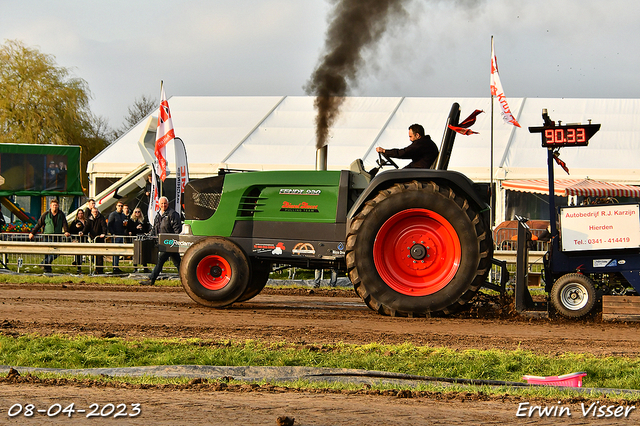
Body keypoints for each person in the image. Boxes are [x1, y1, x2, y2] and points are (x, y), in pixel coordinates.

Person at [142, 196, 182, 285]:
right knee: (178, 263)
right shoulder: (158, 215)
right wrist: (151, 236)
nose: (163, 205)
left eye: (165, 203)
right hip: (162, 243)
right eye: (162, 203)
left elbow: (177, 230)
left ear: (168, 204)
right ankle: (186, 280)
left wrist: (172, 240)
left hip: (169, 243)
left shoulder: (173, 214)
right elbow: (155, 228)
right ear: (159, 204)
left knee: (160, 261)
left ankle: (151, 279)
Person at [29, 199, 70, 273]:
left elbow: (65, 223)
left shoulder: (61, 214)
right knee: (47, 253)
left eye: (56, 205)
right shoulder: (46, 214)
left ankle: (44, 263)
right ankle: (47, 269)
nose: (55, 207)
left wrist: (66, 231)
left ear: (58, 206)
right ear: (50, 206)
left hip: (57, 236)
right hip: (47, 236)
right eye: (53, 205)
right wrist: (32, 233)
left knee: (57, 252)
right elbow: (39, 224)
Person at [82, 207, 107, 274]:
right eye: (94, 212)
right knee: (92, 255)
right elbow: (86, 227)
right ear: (91, 212)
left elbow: (104, 226)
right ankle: (94, 267)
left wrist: (104, 233)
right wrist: (83, 232)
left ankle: (100, 269)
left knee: (99, 255)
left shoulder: (101, 218)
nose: (95, 213)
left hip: (100, 238)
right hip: (92, 238)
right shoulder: (89, 219)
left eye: (96, 212)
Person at [128, 207, 150, 273]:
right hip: (135, 237)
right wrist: (136, 228)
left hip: (142, 237)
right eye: (136, 212)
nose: (137, 213)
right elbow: (129, 229)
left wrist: (144, 230)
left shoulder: (143, 220)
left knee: (143, 252)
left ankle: (145, 267)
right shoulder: (131, 220)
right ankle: (135, 267)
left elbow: (146, 228)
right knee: (135, 253)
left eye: (138, 212)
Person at [107, 201, 127, 274]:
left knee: (119, 252)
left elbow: (125, 226)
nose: (120, 207)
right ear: (116, 206)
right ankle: (115, 267)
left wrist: (125, 226)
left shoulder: (123, 215)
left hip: (121, 234)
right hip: (115, 235)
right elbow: (109, 225)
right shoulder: (113, 214)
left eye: (121, 206)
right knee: (115, 252)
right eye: (119, 206)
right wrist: (112, 234)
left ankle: (117, 266)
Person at [69, 209, 87, 274]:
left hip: (85, 239)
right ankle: (79, 267)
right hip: (78, 240)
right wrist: (76, 227)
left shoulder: (86, 221)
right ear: (77, 214)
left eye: (82, 213)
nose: (80, 215)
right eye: (79, 213)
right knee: (79, 254)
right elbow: (71, 230)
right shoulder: (75, 222)